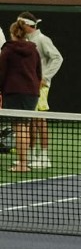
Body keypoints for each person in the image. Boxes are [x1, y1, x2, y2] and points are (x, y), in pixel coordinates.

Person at [16, 12, 63, 169]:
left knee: (39, 120)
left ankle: (44, 157)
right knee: (30, 120)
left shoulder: (42, 39)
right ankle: (31, 154)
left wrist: (46, 77)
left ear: (27, 25)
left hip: (40, 86)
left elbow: (58, 58)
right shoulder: (26, 40)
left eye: (20, 24)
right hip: (29, 85)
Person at [0, 19, 42, 172]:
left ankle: (23, 164)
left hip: (14, 92)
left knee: (19, 127)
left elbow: (1, 72)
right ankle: (23, 161)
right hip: (32, 94)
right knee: (24, 126)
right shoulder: (34, 50)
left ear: (12, 33)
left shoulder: (8, 50)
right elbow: (39, 73)